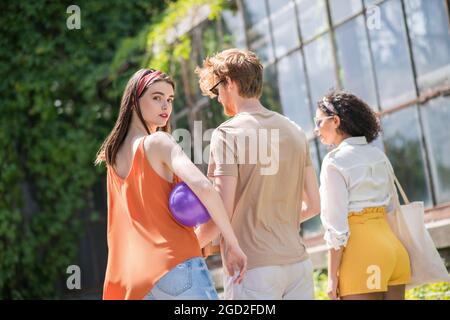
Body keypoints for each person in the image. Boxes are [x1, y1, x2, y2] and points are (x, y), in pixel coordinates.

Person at [95, 68, 247, 300]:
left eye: (169, 99)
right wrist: (233, 243)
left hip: (134, 281)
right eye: (156, 98)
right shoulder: (158, 142)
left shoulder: (113, 157)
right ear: (134, 101)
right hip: (175, 267)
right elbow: (204, 187)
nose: (165, 106)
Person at [194, 49, 321, 300]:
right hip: (298, 265)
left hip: (252, 270)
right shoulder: (294, 130)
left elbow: (223, 208)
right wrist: (273, 222)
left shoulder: (227, 134)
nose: (218, 98)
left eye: (217, 89)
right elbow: (314, 205)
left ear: (230, 82)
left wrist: (189, 243)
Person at [314, 90, 411, 300]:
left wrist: (331, 279)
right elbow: (391, 207)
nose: (316, 129)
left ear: (336, 121)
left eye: (319, 122)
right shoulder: (378, 155)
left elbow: (336, 228)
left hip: (364, 254)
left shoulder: (334, 162)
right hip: (394, 250)